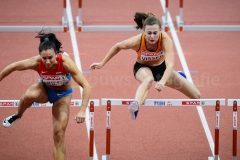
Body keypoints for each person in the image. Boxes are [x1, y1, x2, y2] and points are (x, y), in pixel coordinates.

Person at [90, 12, 200, 120]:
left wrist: (162, 81)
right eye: (149, 33)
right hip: (142, 68)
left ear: (160, 31)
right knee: (148, 79)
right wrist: (102, 63)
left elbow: (170, 64)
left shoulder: (165, 40)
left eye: (155, 33)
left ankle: (178, 75)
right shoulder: (136, 41)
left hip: (162, 68)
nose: (152, 36)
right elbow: (117, 46)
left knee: (196, 96)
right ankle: (135, 105)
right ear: (143, 32)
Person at [0, 31, 91, 160]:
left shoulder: (65, 63)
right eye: (44, 58)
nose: (47, 62)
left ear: (56, 54)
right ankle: (18, 115)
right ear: (40, 56)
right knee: (28, 95)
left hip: (62, 95)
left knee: (59, 134)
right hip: (45, 89)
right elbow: (12, 67)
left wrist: (82, 110)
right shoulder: (36, 62)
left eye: (50, 57)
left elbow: (86, 86)